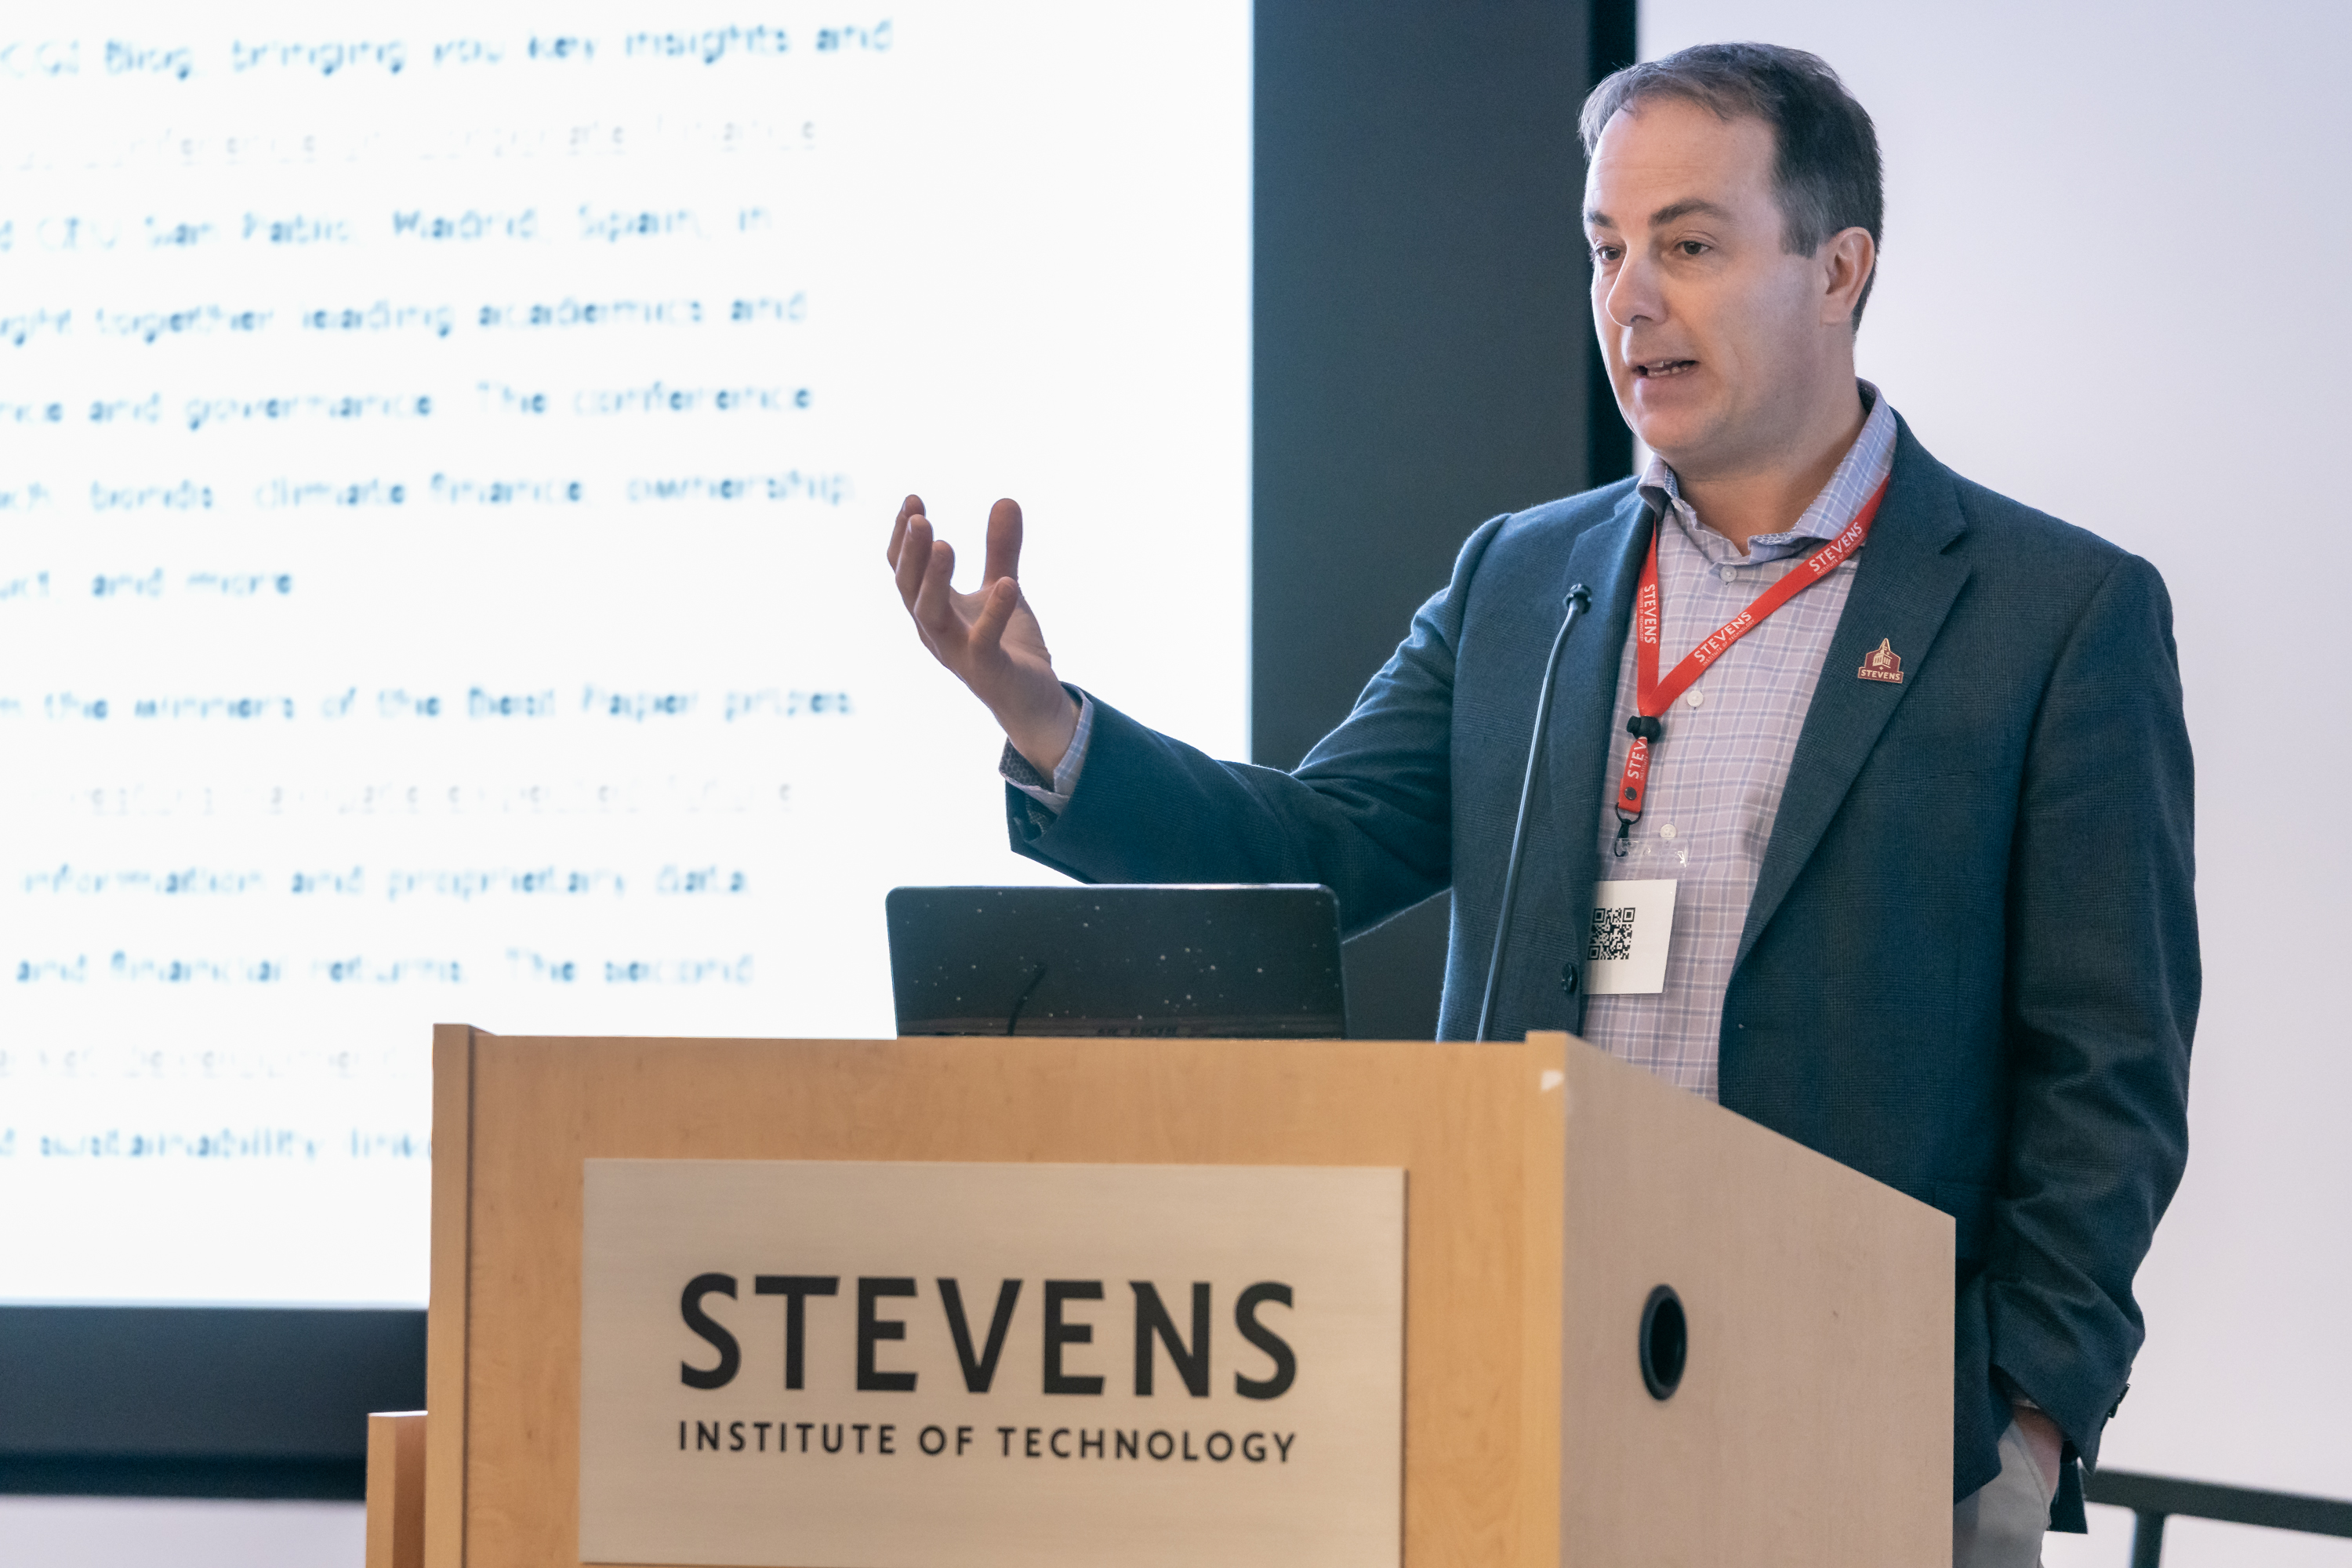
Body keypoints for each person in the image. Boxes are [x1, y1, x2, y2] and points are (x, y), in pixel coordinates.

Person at [884, 42, 2194, 1568]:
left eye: (1689, 245)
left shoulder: (2053, 612)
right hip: (1510, 1384)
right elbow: (1316, 845)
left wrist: (2019, 1427)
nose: (1631, 300)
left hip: (1867, 1430)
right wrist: (1048, 726)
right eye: (1606, 248)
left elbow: (2109, 1066)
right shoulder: (1523, 578)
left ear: (1840, 269)